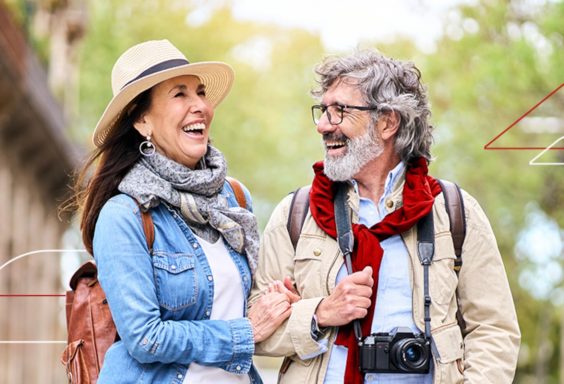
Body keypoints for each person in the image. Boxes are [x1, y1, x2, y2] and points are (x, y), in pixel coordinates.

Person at [250, 50, 521, 383]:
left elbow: (494, 329)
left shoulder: (453, 211)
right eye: (323, 111)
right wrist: (321, 313)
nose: (323, 125)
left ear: (388, 122)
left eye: (339, 111)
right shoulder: (297, 212)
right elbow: (255, 330)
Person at [70, 39, 291, 383]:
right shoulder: (124, 215)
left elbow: (242, 305)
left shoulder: (234, 198)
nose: (200, 105)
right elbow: (145, 338)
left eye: (200, 92)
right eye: (180, 94)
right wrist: (245, 331)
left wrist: (280, 302)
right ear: (142, 121)